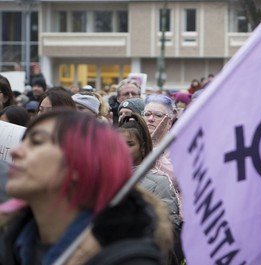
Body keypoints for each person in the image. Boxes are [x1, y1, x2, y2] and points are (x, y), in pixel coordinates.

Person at [0, 109, 173, 264]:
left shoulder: (127, 259)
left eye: (36, 142)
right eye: (23, 142)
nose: (16, 151)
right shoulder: (11, 236)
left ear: (79, 164)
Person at [118, 113, 183, 265]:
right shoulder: (105, 177)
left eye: (129, 144)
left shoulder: (158, 181)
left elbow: (170, 228)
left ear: (142, 148)